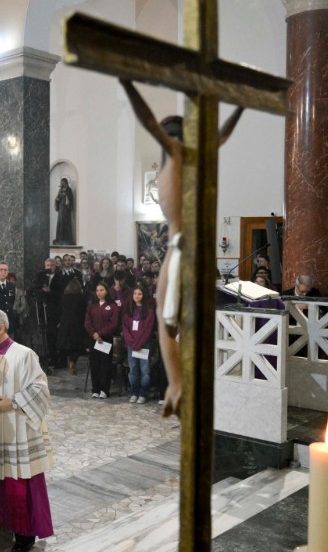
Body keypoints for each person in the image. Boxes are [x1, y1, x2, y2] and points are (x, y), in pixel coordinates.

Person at [122, 78, 244, 416]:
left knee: (165, 322)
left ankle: (177, 384)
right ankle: (183, 383)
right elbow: (223, 133)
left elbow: (147, 119)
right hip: (196, 249)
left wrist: (126, 83)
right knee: (175, 321)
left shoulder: (176, 152)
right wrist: (242, 106)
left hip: (183, 246)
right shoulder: (197, 158)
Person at [0, 310, 54, 552]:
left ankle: (25, 532)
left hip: (16, 426)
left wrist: (14, 402)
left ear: (1, 327)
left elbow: (40, 388)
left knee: (18, 481)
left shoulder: (24, 354)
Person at [84, 281, 120, 399]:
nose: (99, 293)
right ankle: (95, 389)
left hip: (105, 339)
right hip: (93, 339)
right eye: (97, 290)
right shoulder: (92, 305)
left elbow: (113, 323)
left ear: (106, 291)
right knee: (94, 364)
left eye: (102, 290)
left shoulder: (112, 305)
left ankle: (104, 390)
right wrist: (94, 334)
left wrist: (100, 333)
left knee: (105, 364)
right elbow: (87, 321)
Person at [122, 286, 156, 404]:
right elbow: (125, 328)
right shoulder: (129, 310)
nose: (136, 296)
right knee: (133, 370)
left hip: (144, 345)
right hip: (131, 345)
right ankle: (134, 392)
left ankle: (143, 393)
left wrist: (139, 343)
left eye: (139, 294)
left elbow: (147, 330)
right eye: (135, 293)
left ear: (144, 295)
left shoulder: (149, 311)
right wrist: (131, 342)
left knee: (144, 370)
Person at [56, 278, 88, 372]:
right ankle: (73, 361)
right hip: (77, 323)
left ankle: (66, 360)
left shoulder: (64, 297)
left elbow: (60, 310)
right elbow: (84, 311)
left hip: (65, 322)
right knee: (77, 345)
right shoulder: (81, 297)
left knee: (66, 344)